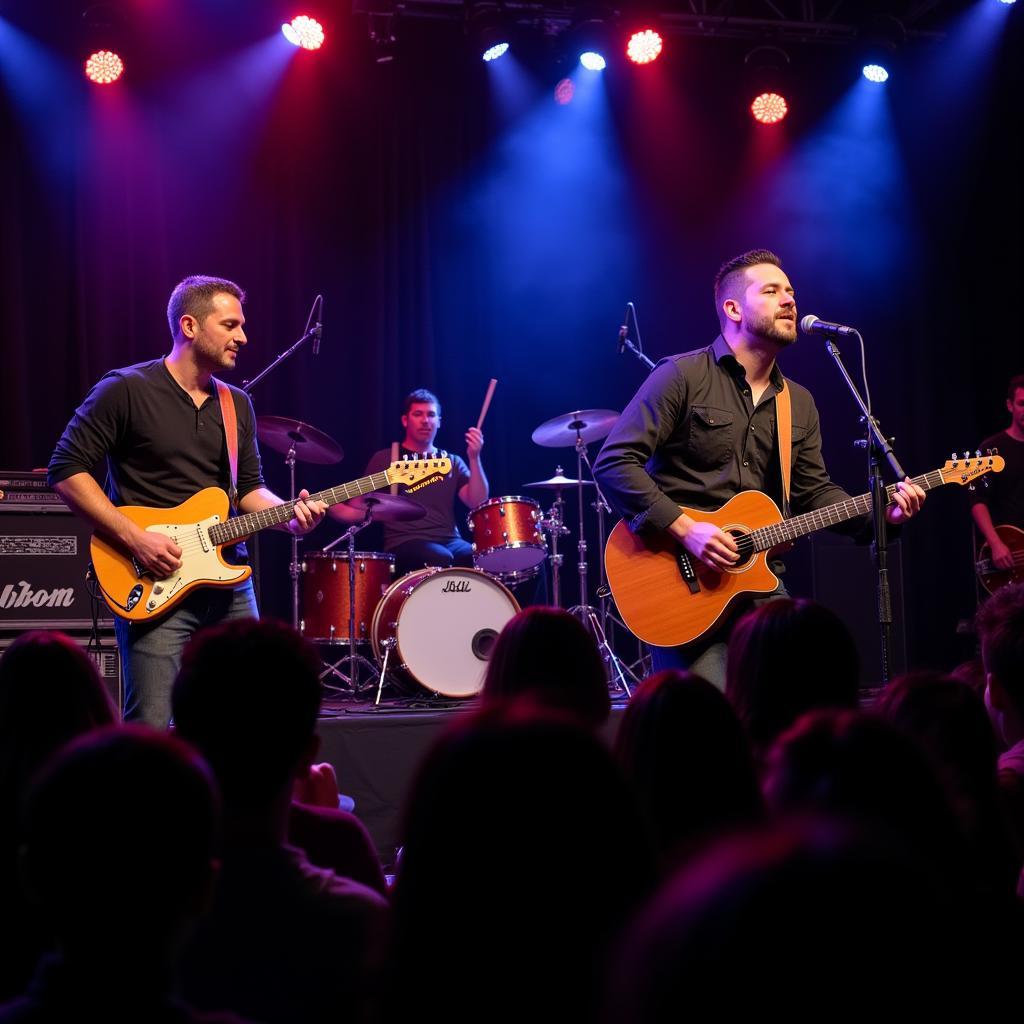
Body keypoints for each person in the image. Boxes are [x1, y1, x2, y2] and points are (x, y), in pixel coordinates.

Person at [592, 249, 925, 687]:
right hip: (680, 586)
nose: (789, 300)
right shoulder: (682, 376)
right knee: (711, 720)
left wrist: (881, 515)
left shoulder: (798, 403)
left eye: (790, 292)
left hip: (760, 585)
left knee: (801, 701)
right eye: (771, 291)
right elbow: (614, 461)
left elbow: (814, 492)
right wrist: (687, 529)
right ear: (732, 308)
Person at [47, 275, 327, 728]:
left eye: (242, 326)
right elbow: (65, 469)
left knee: (256, 719)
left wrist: (288, 517)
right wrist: (135, 539)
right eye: (231, 325)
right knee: (153, 725)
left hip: (229, 583)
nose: (243, 337)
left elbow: (249, 489)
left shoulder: (236, 404)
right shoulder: (126, 389)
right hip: (153, 578)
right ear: (190, 326)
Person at [171, 619, 388, 1024]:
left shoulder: (129, 913)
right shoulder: (354, 900)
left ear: (178, 742)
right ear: (309, 755)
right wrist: (323, 822)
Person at [335, 388, 486, 578]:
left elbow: (477, 501)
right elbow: (357, 508)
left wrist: (474, 457)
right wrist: (326, 506)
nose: (425, 420)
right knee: (439, 557)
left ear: (439, 422)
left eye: (431, 415)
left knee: (479, 557)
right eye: (418, 414)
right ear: (405, 420)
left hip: (450, 540)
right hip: (405, 541)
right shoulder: (386, 458)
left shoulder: (452, 461)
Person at [970, 373, 1024, 572]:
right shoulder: (991, 449)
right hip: (1009, 555)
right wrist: (995, 543)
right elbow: (977, 501)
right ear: (1010, 405)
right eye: (1022, 404)